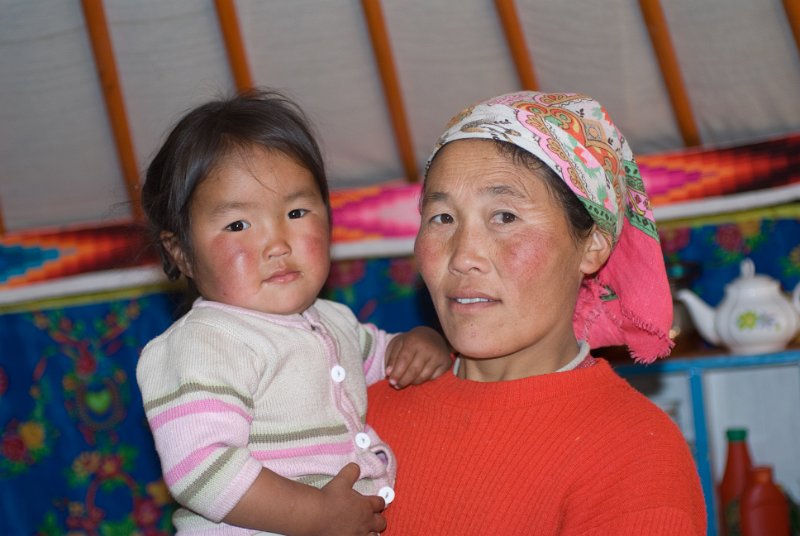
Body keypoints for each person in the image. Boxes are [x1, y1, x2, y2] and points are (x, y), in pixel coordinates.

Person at [367, 91, 707, 534]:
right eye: (442, 218)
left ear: (592, 246)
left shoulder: (634, 453)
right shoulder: (360, 410)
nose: (463, 256)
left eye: (505, 216)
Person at [136, 89, 451, 535]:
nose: (277, 244)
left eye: (297, 211)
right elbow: (201, 468)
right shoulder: (204, 341)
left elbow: (386, 357)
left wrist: (423, 341)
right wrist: (316, 515)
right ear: (182, 253)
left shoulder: (334, 321)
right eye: (238, 225)